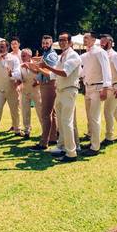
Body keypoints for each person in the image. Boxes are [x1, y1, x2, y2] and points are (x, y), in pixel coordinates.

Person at [39, 32, 81, 162]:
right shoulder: (62, 56)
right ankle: (62, 146)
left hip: (69, 90)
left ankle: (71, 153)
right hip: (60, 91)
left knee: (67, 122)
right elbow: (52, 75)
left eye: (64, 40)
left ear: (70, 42)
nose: (62, 42)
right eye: (60, 40)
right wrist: (38, 68)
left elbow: (64, 73)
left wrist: (46, 66)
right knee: (62, 123)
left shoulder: (73, 56)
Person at [78, 32, 112, 156]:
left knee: (95, 117)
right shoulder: (86, 54)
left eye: (87, 38)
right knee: (90, 117)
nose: (84, 40)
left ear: (93, 40)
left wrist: (105, 88)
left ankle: (95, 147)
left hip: (98, 88)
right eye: (84, 38)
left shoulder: (100, 52)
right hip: (88, 88)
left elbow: (106, 70)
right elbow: (81, 69)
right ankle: (93, 141)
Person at [24, 35, 58, 150]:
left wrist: (35, 66)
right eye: (43, 43)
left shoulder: (51, 55)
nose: (45, 45)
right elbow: (40, 71)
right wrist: (32, 67)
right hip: (45, 84)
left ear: (51, 43)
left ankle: (43, 143)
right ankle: (53, 138)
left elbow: (49, 71)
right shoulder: (45, 54)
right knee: (51, 113)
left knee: (45, 114)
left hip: (49, 84)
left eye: (47, 43)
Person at [18, 48, 41, 139]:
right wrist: (19, 83)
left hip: (36, 90)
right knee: (25, 111)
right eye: (21, 56)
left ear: (29, 56)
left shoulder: (36, 64)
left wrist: (38, 82)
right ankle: (27, 131)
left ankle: (46, 130)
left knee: (40, 110)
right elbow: (19, 78)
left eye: (24, 55)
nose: (22, 57)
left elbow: (41, 74)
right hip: (25, 90)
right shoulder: (20, 66)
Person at [6, 36, 23, 135]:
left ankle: (22, 126)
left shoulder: (22, 54)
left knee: (20, 105)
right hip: (12, 81)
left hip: (22, 81)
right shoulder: (9, 55)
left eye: (15, 43)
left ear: (19, 44)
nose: (14, 45)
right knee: (13, 105)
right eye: (12, 44)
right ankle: (14, 125)